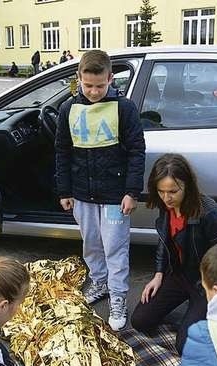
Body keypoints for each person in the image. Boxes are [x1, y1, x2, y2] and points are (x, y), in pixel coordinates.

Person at [55, 49, 146, 331]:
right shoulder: (68, 109)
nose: (94, 91)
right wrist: (64, 191)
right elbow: (62, 151)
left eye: (100, 85)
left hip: (115, 196)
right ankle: (100, 282)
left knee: (115, 248)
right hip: (82, 193)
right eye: (88, 85)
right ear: (79, 79)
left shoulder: (124, 108)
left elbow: (136, 151)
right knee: (91, 244)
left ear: (110, 78)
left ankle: (118, 297)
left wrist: (132, 191)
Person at [4, 257, 139, 366]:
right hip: (82, 329)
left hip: (54, 338)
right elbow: (120, 358)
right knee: (70, 306)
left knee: (37, 307)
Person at [131, 154, 217, 354]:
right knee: (140, 321)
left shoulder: (210, 213)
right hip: (178, 275)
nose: (166, 198)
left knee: (184, 346)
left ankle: (200, 316)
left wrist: (213, 291)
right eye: (161, 191)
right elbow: (164, 241)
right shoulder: (166, 207)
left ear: (188, 186)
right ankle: (190, 317)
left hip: (205, 282)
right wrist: (158, 274)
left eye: (173, 192)